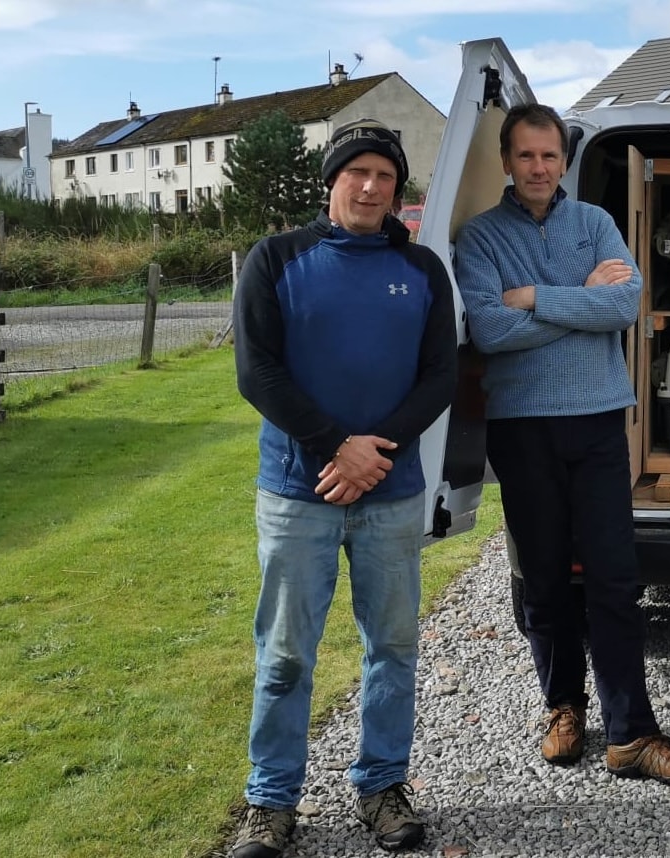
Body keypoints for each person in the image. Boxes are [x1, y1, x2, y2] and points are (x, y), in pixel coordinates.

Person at [453, 103, 670, 786]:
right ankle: (562, 706)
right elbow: (486, 331)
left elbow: (623, 306)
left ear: (563, 161)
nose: (538, 168)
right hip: (521, 427)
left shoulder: (594, 223)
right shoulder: (478, 238)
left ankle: (632, 734)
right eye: (525, 156)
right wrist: (575, 302)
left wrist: (531, 295)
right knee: (543, 582)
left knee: (615, 582)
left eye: (549, 156)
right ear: (507, 161)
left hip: (598, 422)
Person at [231, 119, 456, 856]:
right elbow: (256, 372)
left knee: (391, 646)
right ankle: (271, 802)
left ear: (398, 189)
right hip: (299, 492)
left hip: (389, 494)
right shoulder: (276, 259)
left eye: (384, 176)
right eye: (355, 172)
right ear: (329, 182)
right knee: (286, 652)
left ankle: (383, 787)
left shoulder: (422, 269)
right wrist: (335, 445)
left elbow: (440, 375)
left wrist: (374, 453)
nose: (369, 187)